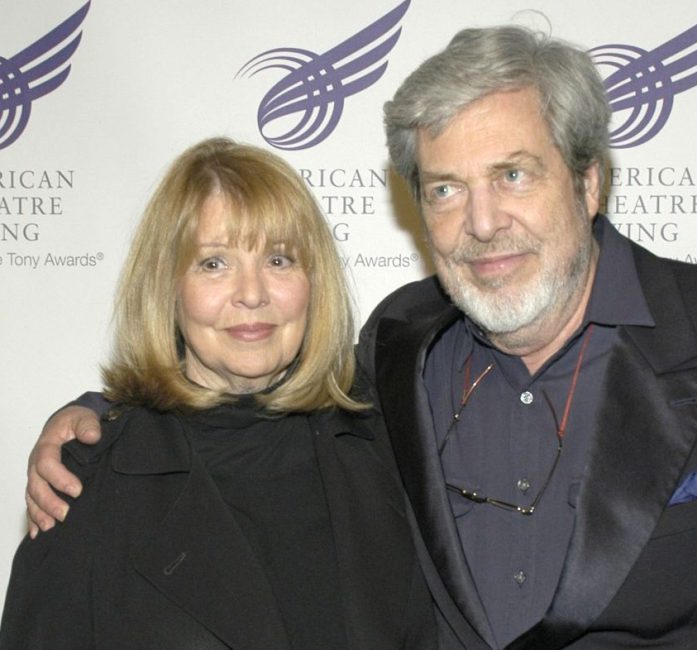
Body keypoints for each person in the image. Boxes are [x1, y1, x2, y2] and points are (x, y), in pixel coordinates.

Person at [22, 26, 697, 649]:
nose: (483, 223)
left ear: (590, 181)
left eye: (513, 175)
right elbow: (241, 390)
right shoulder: (396, 351)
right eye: (447, 189)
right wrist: (99, 418)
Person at [0, 138, 435, 648]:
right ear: (167, 286)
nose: (252, 293)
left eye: (279, 260)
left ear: (314, 281)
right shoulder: (84, 486)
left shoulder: (388, 446)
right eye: (213, 263)